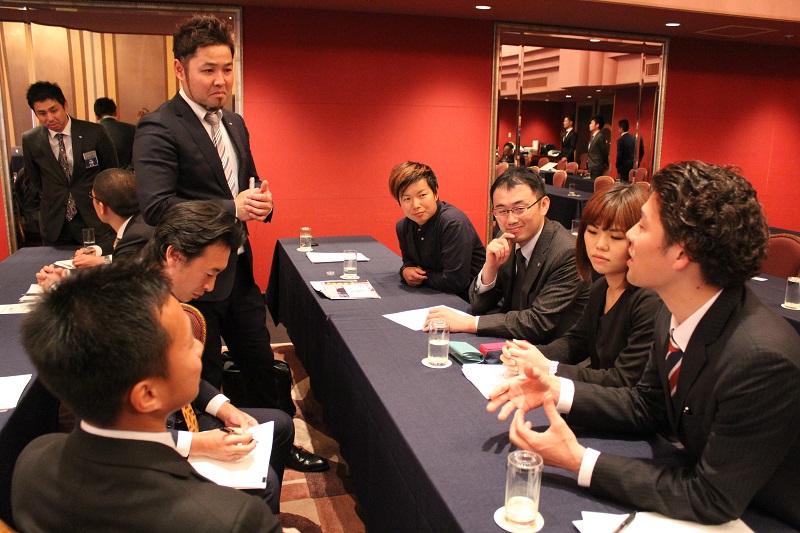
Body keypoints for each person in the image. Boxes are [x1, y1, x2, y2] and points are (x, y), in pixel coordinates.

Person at [487, 161, 800, 528]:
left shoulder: (761, 357)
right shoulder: (673, 312)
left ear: (682, 252)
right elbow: (646, 405)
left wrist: (578, 460)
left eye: (642, 226)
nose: (630, 236)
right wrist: (554, 390)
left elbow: (712, 498)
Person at [12, 262, 287, 532]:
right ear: (147, 395)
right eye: (187, 344)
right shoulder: (234, 519)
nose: (199, 348)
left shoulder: (31, 461)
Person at [142, 201, 293, 513]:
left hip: (180, 418)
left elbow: (183, 376)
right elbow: (119, 432)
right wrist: (199, 444)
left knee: (279, 424)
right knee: (264, 485)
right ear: (174, 255)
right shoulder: (127, 315)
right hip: (148, 447)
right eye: (209, 272)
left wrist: (226, 409)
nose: (211, 286)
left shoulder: (163, 295)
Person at [500, 183, 660, 387]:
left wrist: (549, 368)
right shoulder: (601, 287)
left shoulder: (649, 301)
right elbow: (575, 342)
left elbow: (622, 380)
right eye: (592, 232)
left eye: (615, 237)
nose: (600, 245)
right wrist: (529, 356)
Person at [426, 166, 589, 342]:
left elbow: (537, 323)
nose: (511, 220)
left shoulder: (568, 253)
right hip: (515, 342)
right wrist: (490, 268)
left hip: (550, 349)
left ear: (544, 205)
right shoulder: (506, 237)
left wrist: (468, 323)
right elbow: (479, 304)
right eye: (502, 211)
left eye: (520, 208)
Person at [22, 81, 117, 249]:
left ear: (65, 105)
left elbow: (111, 172)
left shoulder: (94, 132)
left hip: (93, 218)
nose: (50, 118)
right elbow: (35, 179)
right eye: (42, 113)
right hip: (55, 223)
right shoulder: (30, 140)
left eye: (54, 110)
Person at [35, 168, 154, 289]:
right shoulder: (139, 222)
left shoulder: (134, 239)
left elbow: (112, 281)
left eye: (92, 196)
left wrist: (58, 283)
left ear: (102, 207)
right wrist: (67, 274)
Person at [389, 161, 485, 301]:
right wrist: (405, 271)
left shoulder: (453, 223)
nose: (416, 205)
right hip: (435, 294)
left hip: (469, 300)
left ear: (435, 194)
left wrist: (420, 278)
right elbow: (409, 263)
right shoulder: (403, 227)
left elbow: (455, 281)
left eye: (422, 195)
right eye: (407, 199)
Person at [94, 97, 137, 170]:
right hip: (127, 174)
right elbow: (137, 153)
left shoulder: (92, 132)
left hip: (102, 175)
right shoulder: (132, 129)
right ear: (115, 112)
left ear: (96, 116)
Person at [586, 114, 609, 180]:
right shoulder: (593, 137)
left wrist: (606, 164)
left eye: (591, 123)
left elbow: (604, 152)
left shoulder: (600, 137)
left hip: (597, 167)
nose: (589, 125)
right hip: (591, 166)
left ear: (597, 125)